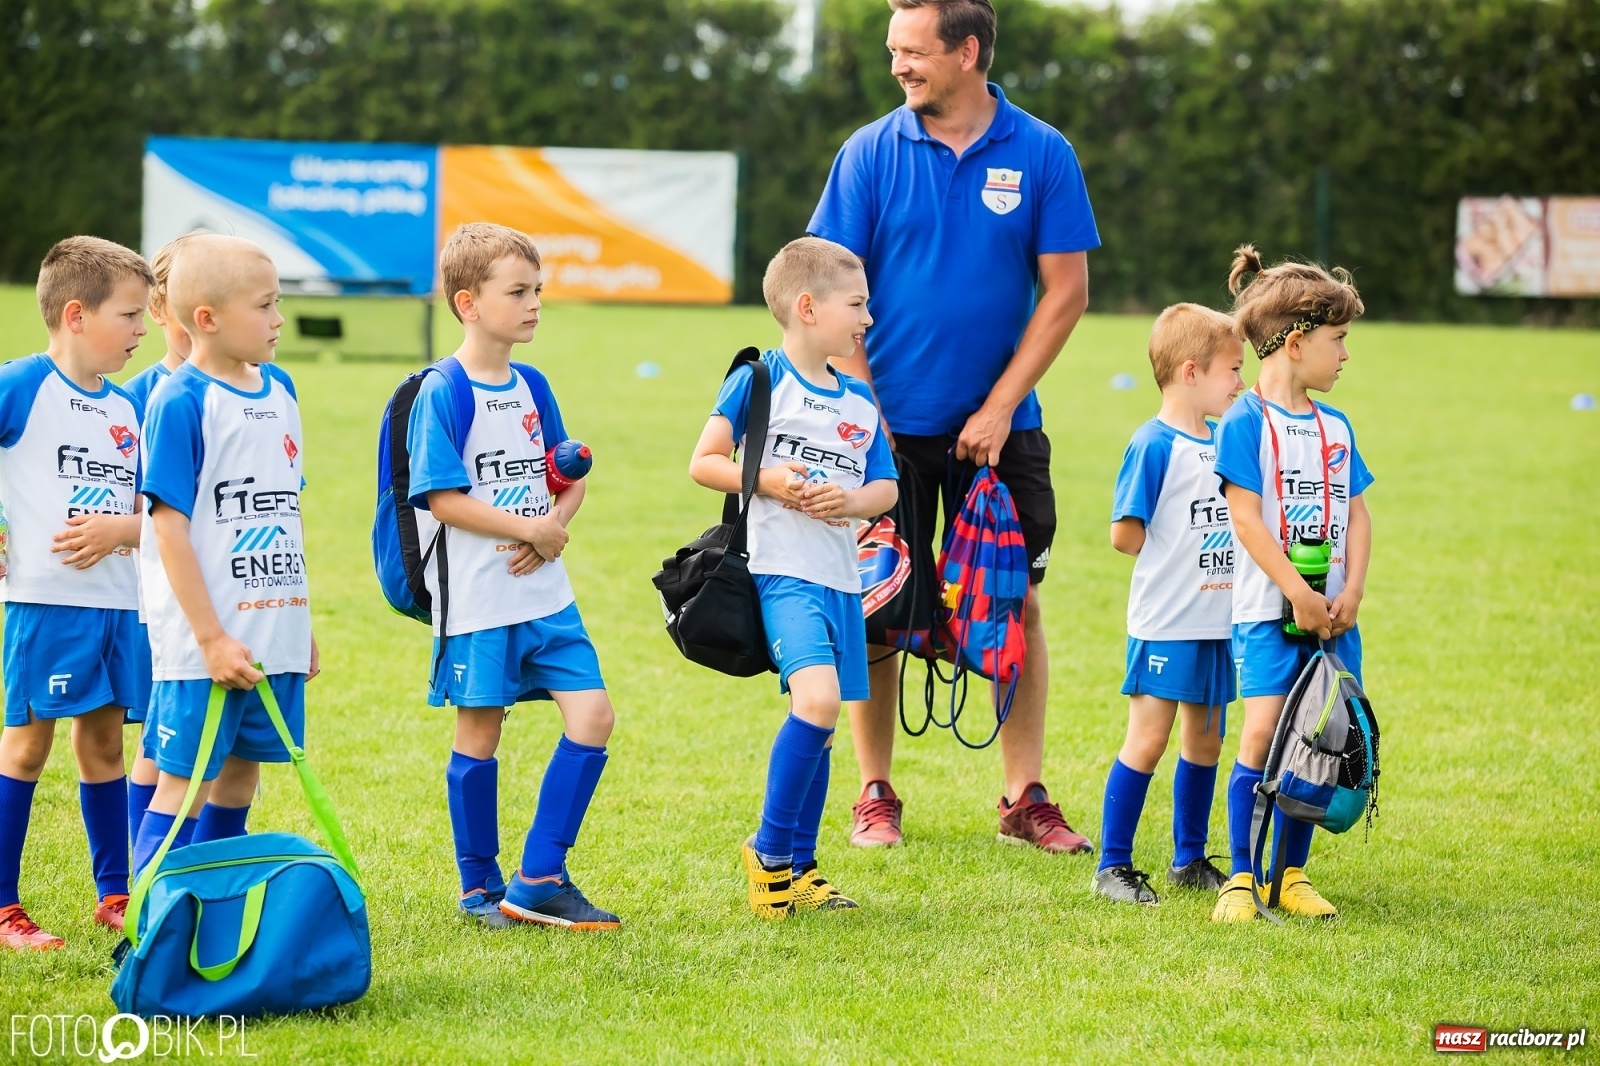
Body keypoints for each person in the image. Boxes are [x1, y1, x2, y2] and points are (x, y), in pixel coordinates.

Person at [807, 0, 1099, 851]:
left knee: (1016, 603)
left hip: (1002, 432)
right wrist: (867, 412)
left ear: (968, 51)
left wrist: (1001, 405)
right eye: (892, 50)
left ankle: (1023, 798)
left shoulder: (1043, 151)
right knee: (878, 605)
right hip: (883, 433)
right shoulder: (868, 152)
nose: (898, 65)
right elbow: (829, 289)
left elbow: (1067, 293)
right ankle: (875, 792)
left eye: (914, 50)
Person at [408, 223, 619, 931]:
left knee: (594, 716)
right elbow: (442, 499)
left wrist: (553, 521)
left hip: (546, 593)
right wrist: (528, 529)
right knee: (481, 732)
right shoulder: (443, 390)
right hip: (478, 598)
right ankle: (478, 888)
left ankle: (539, 879)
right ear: (467, 303)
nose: (534, 304)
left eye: (538, 291)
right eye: (518, 292)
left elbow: (567, 472)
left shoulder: (533, 385)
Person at [690, 237, 898, 919]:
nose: (868, 318)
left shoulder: (859, 400)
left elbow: (886, 490)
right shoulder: (761, 379)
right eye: (857, 304)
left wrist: (851, 501)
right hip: (783, 575)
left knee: (824, 725)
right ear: (808, 308)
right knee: (817, 702)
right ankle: (770, 852)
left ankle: (802, 868)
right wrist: (768, 480)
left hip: (843, 580)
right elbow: (705, 461)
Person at [131, 234, 319, 876]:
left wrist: (299, 623)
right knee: (185, 784)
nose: (279, 319)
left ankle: (209, 905)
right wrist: (210, 639)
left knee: (241, 778)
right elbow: (168, 529)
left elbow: (284, 512)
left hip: (273, 631)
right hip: (205, 645)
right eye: (264, 306)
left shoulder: (282, 389)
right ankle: (154, 915)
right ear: (207, 318)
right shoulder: (181, 400)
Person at [0, 236, 153, 949]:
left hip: (120, 604)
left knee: (104, 747)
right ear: (75, 315)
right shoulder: (22, 385)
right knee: (26, 750)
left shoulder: (127, 409)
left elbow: (152, 512)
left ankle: (114, 895)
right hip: (46, 601)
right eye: (129, 315)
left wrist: (124, 531)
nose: (142, 329)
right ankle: (4, 908)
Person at [1211, 245, 1371, 923]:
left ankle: (1290, 875)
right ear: (1297, 343)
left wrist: (1350, 590)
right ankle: (1242, 877)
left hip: (1332, 616)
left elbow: (1358, 514)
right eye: (1338, 339)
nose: (1346, 354)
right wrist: (1296, 593)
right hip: (1265, 614)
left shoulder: (1337, 426)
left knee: (1319, 740)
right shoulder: (1246, 421)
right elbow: (1246, 520)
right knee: (1262, 735)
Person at [1093, 304, 1244, 906]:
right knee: (1149, 739)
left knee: (1206, 742)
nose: (1240, 382)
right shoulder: (1153, 443)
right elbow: (1124, 534)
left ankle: (1189, 858)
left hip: (1219, 623)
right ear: (1190, 372)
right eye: (1232, 370)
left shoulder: (1225, 441)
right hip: (1167, 622)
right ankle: (1112, 866)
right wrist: (1178, 550)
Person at [121, 231, 203, 847]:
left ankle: (202, 871)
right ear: (157, 308)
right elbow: (130, 515)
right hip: (163, 607)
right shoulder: (136, 399)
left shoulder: (262, 389)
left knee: (226, 755)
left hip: (242, 596)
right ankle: (145, 875)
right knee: (163, 741)